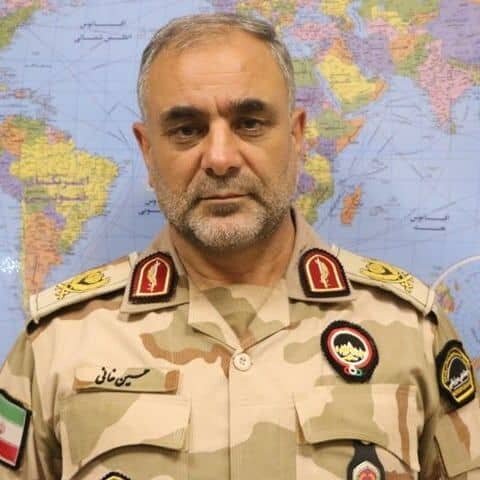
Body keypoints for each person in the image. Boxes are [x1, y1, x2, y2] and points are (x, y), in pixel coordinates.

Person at [0, 12, 479, 480]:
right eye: (187, 130)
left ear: (296, 135)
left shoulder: (410, 333)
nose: (220, 158)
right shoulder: (59, 344)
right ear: (147, 150)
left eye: (249, 123)